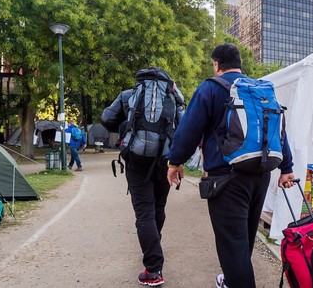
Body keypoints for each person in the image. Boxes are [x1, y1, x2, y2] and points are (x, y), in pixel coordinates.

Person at [167, 43, 295, 288]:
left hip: (226, 180)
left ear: (216, 64)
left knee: (232, 245)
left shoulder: (210, 89)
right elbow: (278, 132)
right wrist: (286, 168)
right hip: (260, 176)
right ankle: (233, 278)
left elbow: (189, 130)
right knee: (244, 239)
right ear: (239, 63)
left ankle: (236, 279)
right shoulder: (259, 90)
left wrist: (175, 161)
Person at [101, 67, 184, 287]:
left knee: (144, 212)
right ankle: (153, 243)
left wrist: (126, 127)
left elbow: (106, 118)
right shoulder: (173, 97)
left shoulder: (129, 95)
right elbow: (184, 128)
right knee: (159, 207)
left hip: (136, 161)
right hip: (165, 160)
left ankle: (154, 269)